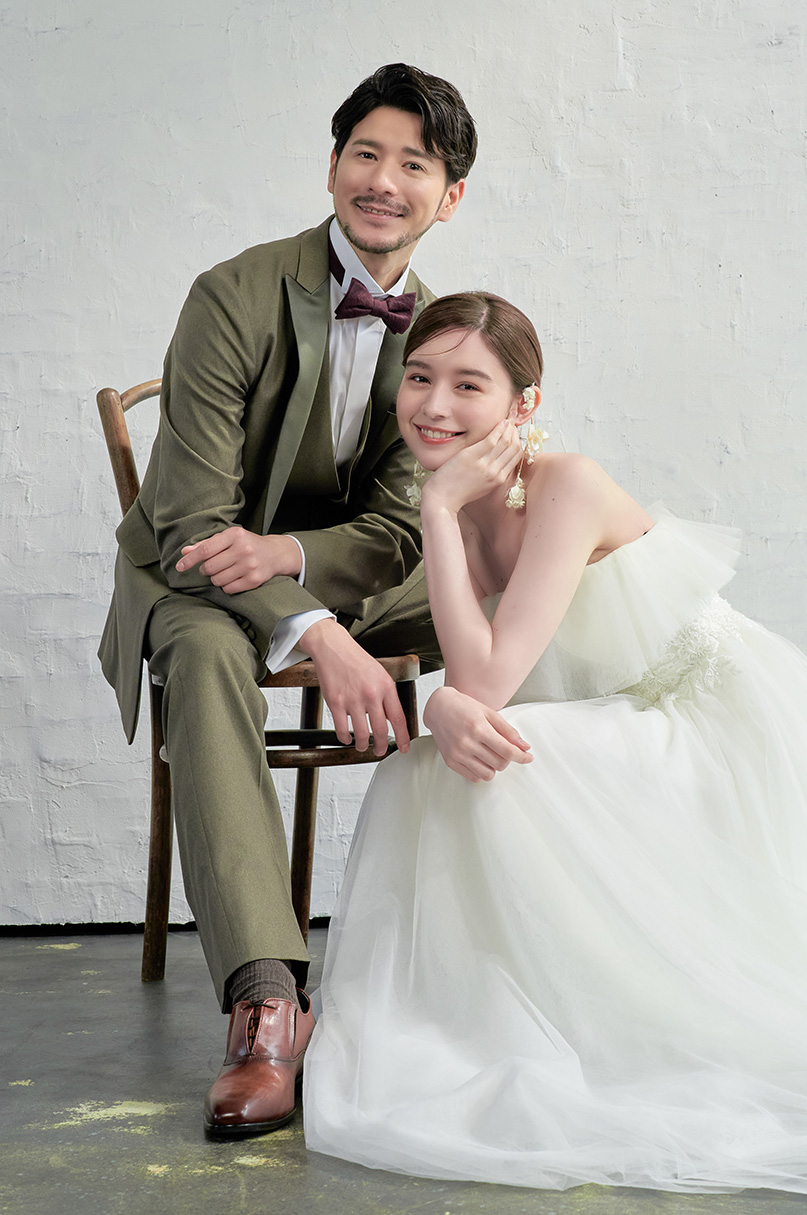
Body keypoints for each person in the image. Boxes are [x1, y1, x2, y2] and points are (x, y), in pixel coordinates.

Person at [302, 291, 807, 1196]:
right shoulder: (460, 503)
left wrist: (435, 515)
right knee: (420, 775)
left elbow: (484, 684)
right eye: (419, 378)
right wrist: (441, 694)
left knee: (497, 767)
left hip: (705, 722)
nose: (433, 405)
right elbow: (475, 685)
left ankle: (571, 1010)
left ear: (524, 405)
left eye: (468, 384)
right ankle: (467, 1018)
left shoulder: (565, 485)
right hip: (612, 716)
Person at [97, 64, 478, 1137]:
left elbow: (398, 529)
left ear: (448, 196)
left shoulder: (440, 328)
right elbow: (189, 520)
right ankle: (267, 1002)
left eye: (413, 164)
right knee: (207, 654)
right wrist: (316, 632)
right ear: (332, 165)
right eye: (365, 153)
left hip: (333, 572)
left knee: (514, 601)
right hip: (190, 578)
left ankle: (498, 952)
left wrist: (297, 562)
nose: (383, 180)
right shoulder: (232, 292)